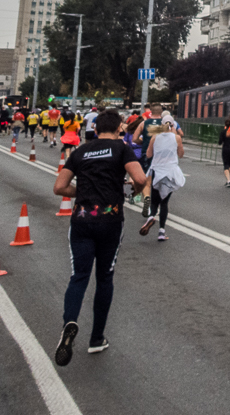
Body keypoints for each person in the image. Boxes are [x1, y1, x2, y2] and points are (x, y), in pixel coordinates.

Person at [52, 109, 148, 365]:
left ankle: (69, 322)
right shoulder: (121, 149)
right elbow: (140, 178)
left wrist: (82, 192)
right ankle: (96, 338)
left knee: (79, 276)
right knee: (104, 278)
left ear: (95, 129)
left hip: (82, 220)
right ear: (118, 128)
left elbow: (59, 187)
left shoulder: (81, 151)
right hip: (110, 221)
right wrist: (134, 192)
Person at [139, 120, 185, 242]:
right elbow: (181, 154)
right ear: (172, 126)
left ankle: (151, 217)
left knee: (154, 202)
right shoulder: (177, 138)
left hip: (156, 172)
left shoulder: (155, 137)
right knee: (164, 203)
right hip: (170, 173)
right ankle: (161, 232)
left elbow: (148, 154)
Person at [218, 116, 230, 189]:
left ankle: (228, 181)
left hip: (225, 148)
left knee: (226, 164)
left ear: (225, 124)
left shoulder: (223, 132)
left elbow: (219, 142)